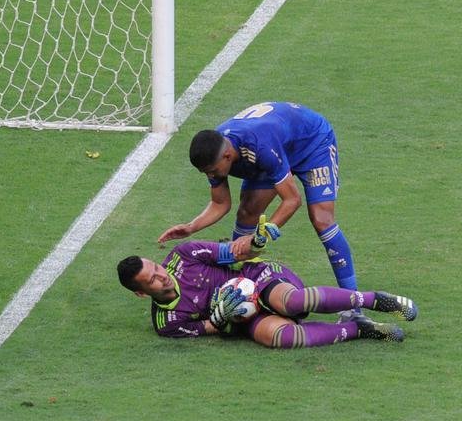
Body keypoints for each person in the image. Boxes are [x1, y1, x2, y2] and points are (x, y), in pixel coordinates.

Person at [158, 102, 360, 304]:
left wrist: (259, 235)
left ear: (227, 156)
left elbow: (292, 200)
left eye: (212, 170)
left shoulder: (259, 146)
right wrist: (191, 227)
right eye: (206, 172)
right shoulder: (215, 152)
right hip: (274, 150)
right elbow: (220, 203)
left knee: (321, 219)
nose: (210, 175)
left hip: (311, 143)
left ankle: (353, 305)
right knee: (247, 211)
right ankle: (241, 291)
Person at [116, 239, 418, 347]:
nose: (162, 276)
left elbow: (234, 252)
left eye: (156, 267)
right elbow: (206, 328)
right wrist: (220, 319)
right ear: (141, 294)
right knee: (284, 338)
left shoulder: (184, 255)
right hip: (244, 319)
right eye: (152, 281)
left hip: (258, 278)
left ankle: (374, 300)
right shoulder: (166, 323)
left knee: (292, 303)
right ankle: (359, 330)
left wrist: (256, 241)